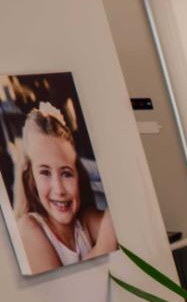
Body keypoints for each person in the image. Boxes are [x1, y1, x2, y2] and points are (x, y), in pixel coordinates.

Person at [11, 100, 117, 272]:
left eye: (66, 174)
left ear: (78, 177)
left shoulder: (84, 222)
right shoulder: (29, 228)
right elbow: (64, 290)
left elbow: (120, 219)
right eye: (45, 173)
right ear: (32, 180)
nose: (59, 189)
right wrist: (106, 244)